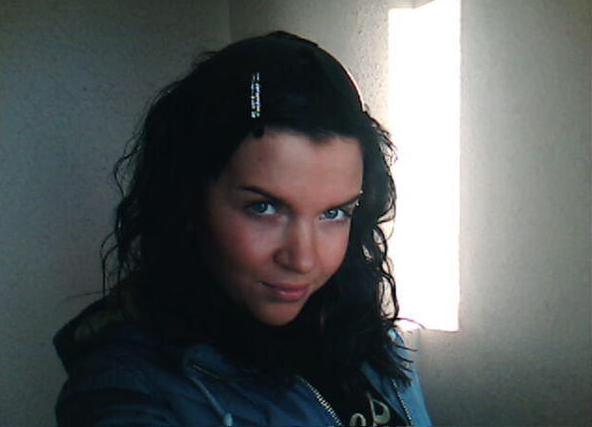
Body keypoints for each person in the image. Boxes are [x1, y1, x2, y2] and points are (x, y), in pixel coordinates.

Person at [54, 31, 432, 426]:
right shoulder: (128, 384)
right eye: (264, 208)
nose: (303, 259)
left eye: (334, 213)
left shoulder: (367, 335)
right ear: (188, 199)